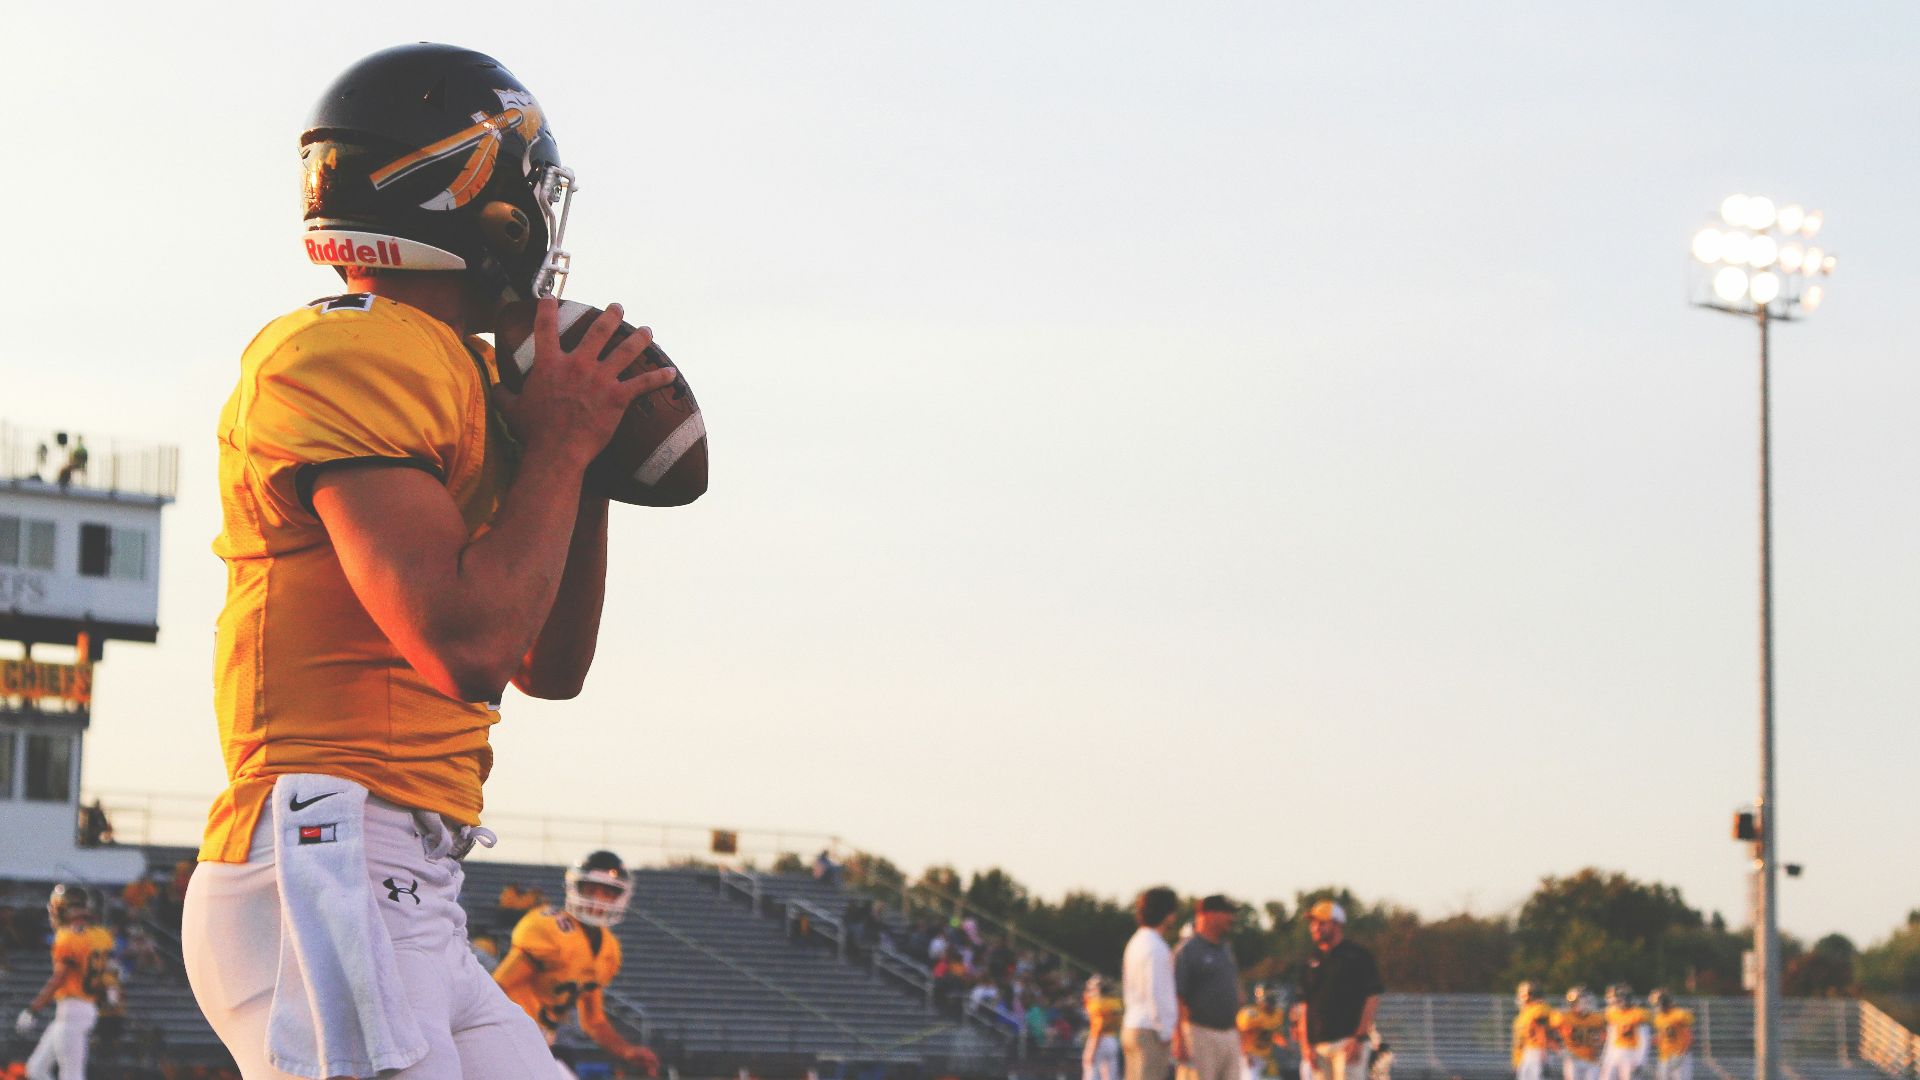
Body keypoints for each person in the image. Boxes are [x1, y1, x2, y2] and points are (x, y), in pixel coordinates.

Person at [181, 42, 676, 1080]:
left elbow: (547, 665)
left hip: (412, 877)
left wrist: (581, 463)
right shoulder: (351, 351)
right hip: (328, 852)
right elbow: (465, 645)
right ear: (481, 198)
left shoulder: (468, 375)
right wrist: (562, 445)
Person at [494, 851, 660, 1079]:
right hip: (509, 1038)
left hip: (541, 1044)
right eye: (591, 889)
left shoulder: (608, 949)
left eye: (608, 892)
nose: (598, 899)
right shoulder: (550, 928)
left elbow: (594, 1021)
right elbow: (497, 987)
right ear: (575, 887)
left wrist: (626, 1050)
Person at [14, 884, 115, 1080]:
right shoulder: (101, 935)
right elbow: (104, 972)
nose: (54, 914)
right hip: (83, 1009)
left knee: (72, 1076)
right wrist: (107, 993)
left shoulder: (67, 936)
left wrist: (33, 1009)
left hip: (72, 1010)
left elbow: (60, 977)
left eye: (57, 909)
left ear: (65, 910)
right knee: (36, 1069)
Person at [1295, 901, 1382, 1080]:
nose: (1315, 928)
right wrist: (1306, 1045)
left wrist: (1358, 1038)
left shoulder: (1357, 956)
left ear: (1337, 924)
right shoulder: (1311, 960)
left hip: (1347, 1042)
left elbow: (1372, 998)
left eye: (1322, 923)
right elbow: (1304, 1006)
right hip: (1319, 1046)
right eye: (1313, 923)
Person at [1175, 895, 1243, 1080]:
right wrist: (1179, 1038)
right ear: (1209, 915)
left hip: (1229, 1033)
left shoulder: (1226, 949)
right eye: (1227, 913)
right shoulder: (1188, 950)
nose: (1232, 918)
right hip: (1199, 1033)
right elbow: (1177, 997)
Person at [1123, 886, 1181, 1080]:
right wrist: (1166, 1032)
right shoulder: (1157, 947)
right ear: (1167, 914)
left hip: (1132, 1024)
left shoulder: (1136, 942)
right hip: (1150, 1030)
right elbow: (1157, 993)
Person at [1236, 984, 1289, 1080]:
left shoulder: (1278, 1014)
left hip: (1266, 1056)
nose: (1271, 1004)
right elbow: (1238, 1035)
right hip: (1251, 1057)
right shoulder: (1252, 1014)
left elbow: (1273, 1033)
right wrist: (1245, 1055)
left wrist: (1283, 1042)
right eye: (1269, 999)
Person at [1552, 988, 1606, 1080]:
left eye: (1586, 1002)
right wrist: (1558, 1048)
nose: (1584, 1004)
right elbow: (1551, 1033)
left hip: (1591, 1059)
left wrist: (1600, 1049)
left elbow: (1604, 1035)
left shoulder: (1597, 1018)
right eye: (1580, 1002)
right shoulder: (1564, 1017)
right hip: (1573, 1058)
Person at [1600, 986, 1649, 1080]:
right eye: (1618, 998)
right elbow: (1611, 1039)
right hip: (1615, 1053)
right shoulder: (1612, 1013)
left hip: (1631, 1053)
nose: (1619, 1001)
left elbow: (1644, 1040)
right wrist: (1605, 1058)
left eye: (1621, 998)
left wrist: (1640, 1060)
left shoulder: (1638, 1013)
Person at [1511, 982, 1557, 1080]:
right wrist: (1517, 1061)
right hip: (1527, 1052)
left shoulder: (1540, 1009)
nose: (1520, 998)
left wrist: (1544, 1054)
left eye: (1522, 995)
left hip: (1538, 1051)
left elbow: (1543, 1032)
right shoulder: (1527, 1012)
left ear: (1530, 996)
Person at [1085, 975, 1125, 1080]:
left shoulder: (1096, 1004)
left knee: (1092, 1073)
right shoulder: (1116, 1002)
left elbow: (1099, 1026)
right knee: (1111, 1075)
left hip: (1098, 1039)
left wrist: (1092, 1048)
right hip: (1113, 1039)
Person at [1647, 990, 1692, 1080]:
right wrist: (1651, 1040)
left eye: (1657, 1005)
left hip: (1679, 1053)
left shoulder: (1679, 1014)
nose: (1656, 1008)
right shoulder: (1658, 1018)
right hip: (1664, 1055)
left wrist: (1683, 1052)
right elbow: (1662, 1035)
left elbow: (1688, 1034)